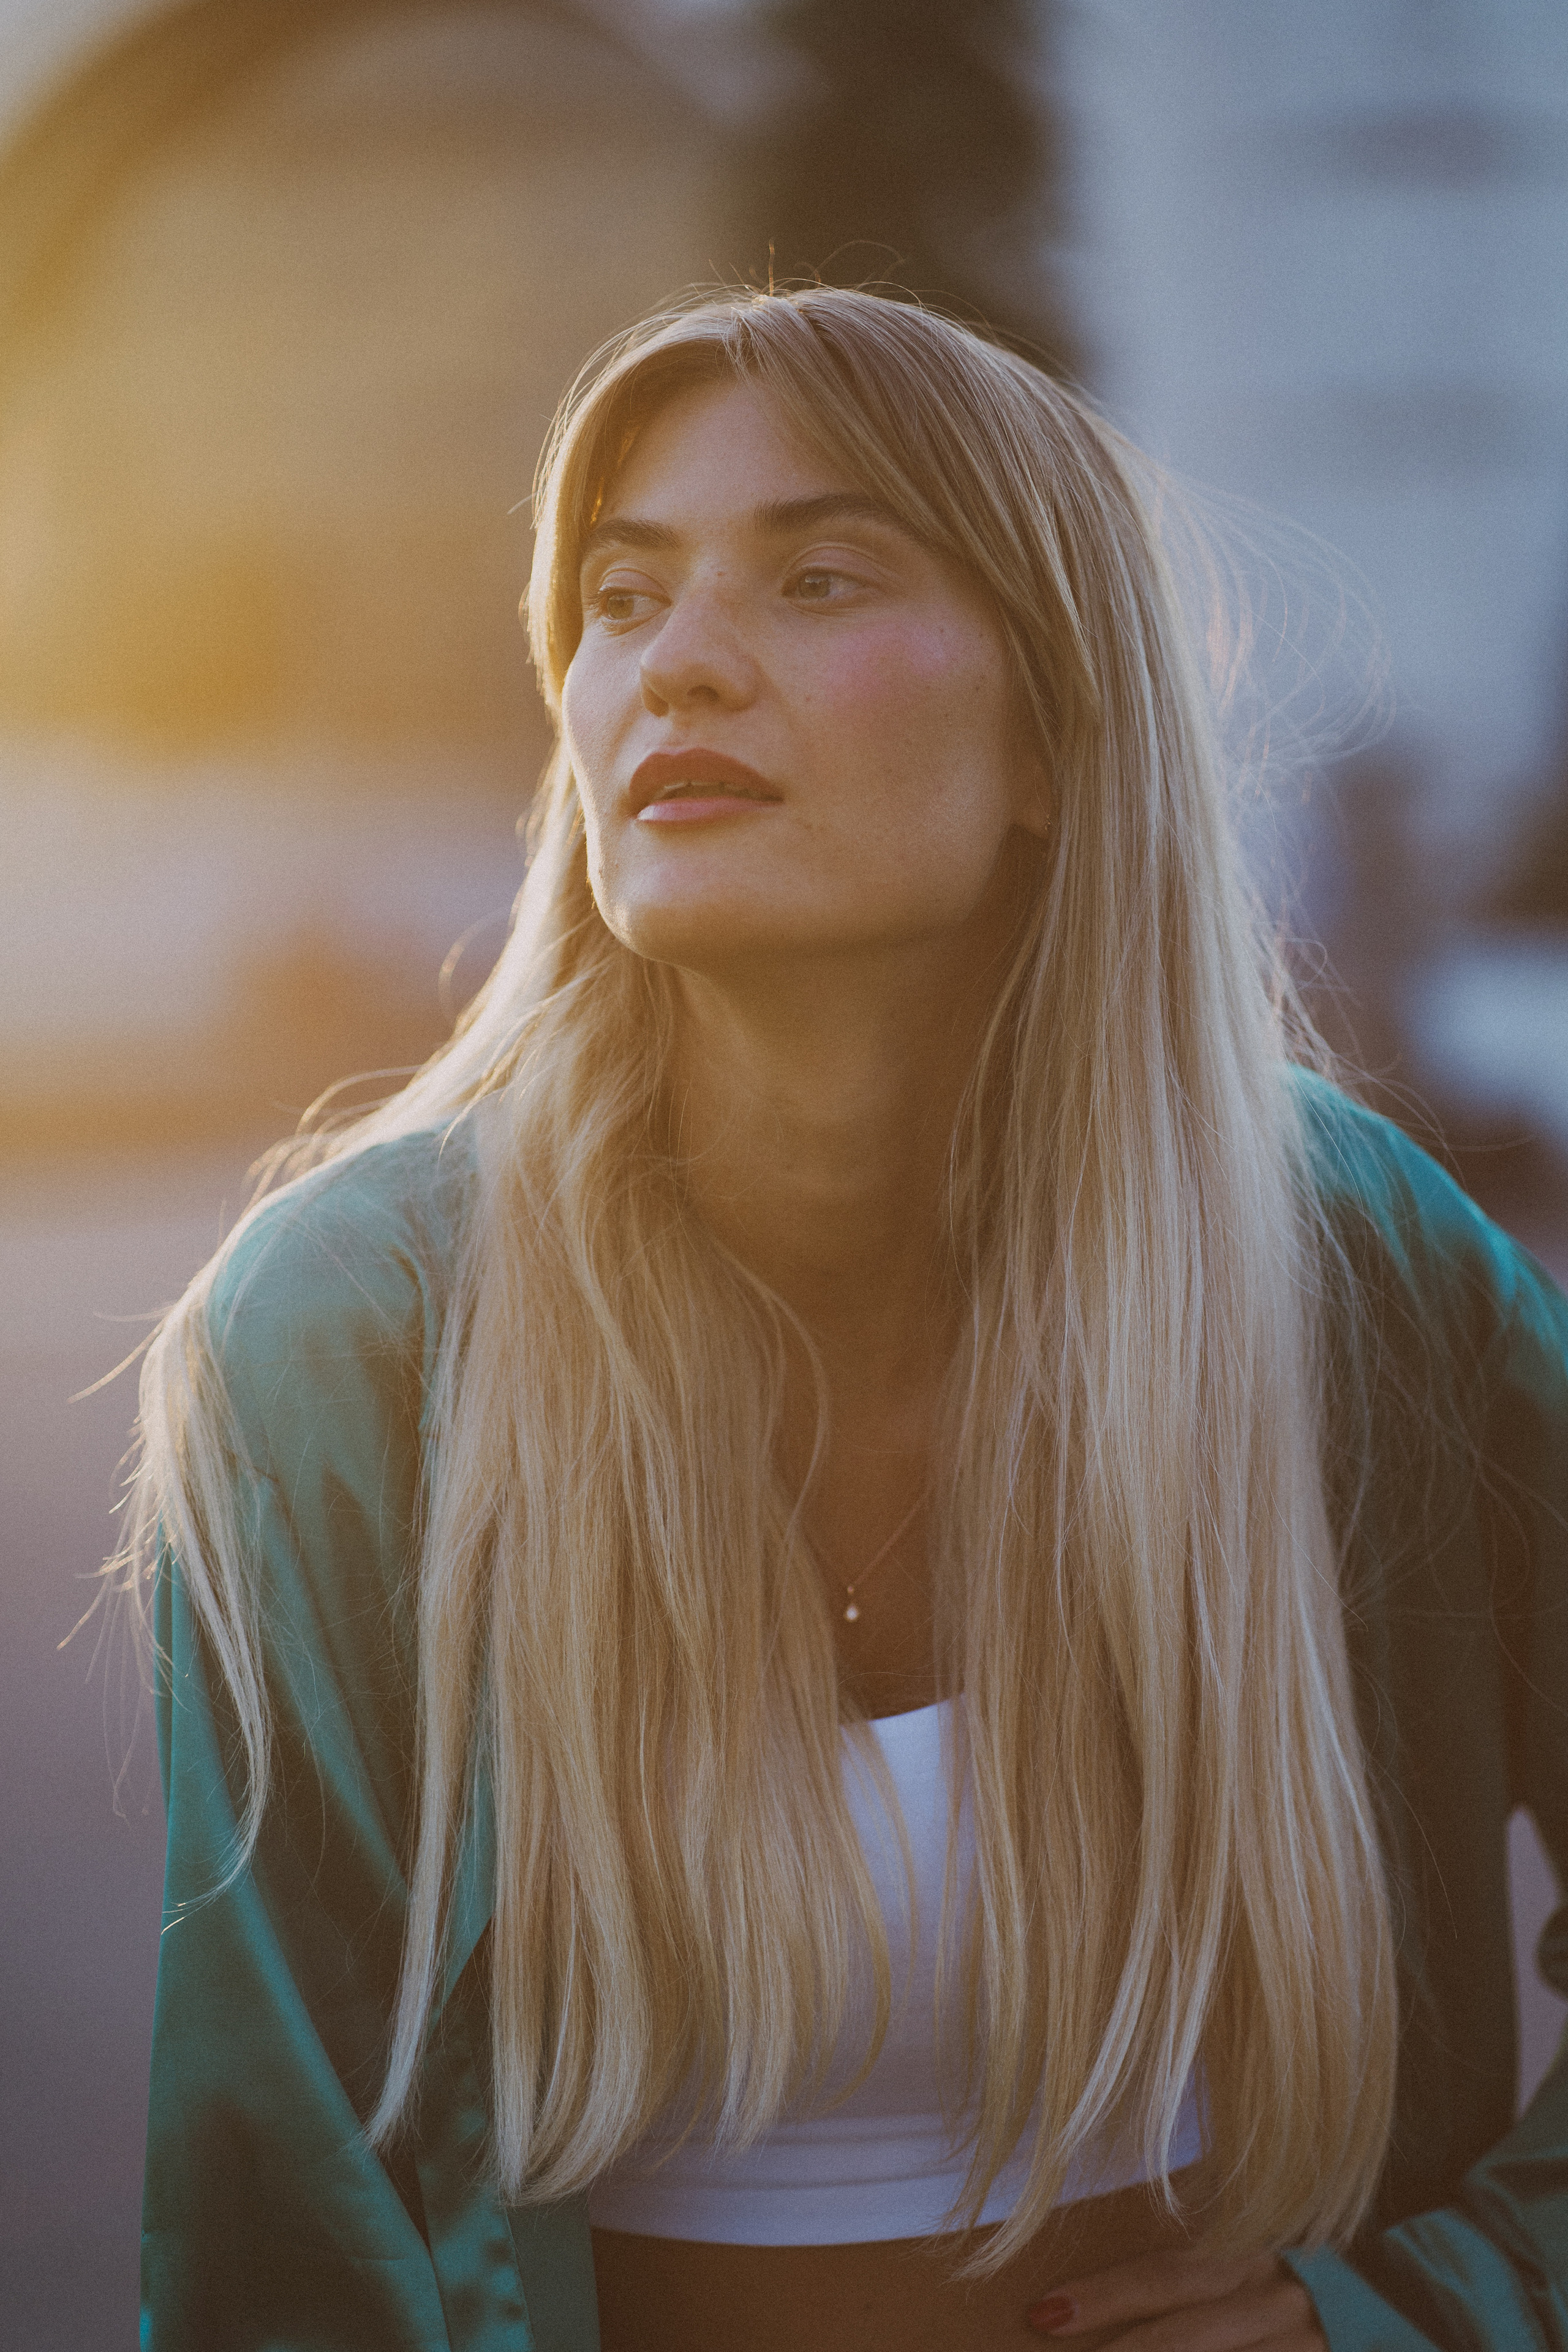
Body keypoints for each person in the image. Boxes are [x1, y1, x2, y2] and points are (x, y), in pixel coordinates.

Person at [131, 287, 1568, 2352]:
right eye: (621, 596)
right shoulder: (351, 1336)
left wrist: (1444, 2302)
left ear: (1058, 736)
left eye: (816, 576)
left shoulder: (1347, 1266)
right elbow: (278, 2214)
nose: (678, 661)